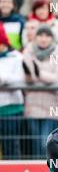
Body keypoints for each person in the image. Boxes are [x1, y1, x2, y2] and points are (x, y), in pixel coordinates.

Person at [23, 24, 58, 158]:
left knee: (46, 143)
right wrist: (38, 76)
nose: (43, 38)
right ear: (35, 37)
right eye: (40, 35)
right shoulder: (28, 50)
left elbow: (57, 78)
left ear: (52, 37)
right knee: (36, 144)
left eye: (47, 35)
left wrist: (37, 73)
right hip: (32, 105)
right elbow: (27, 78)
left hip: (52, 106)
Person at [0, 22, 24, 159]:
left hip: (12, 108)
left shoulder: (16, 57)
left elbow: (20, 79)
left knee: (11, 146)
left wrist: (2, 79)